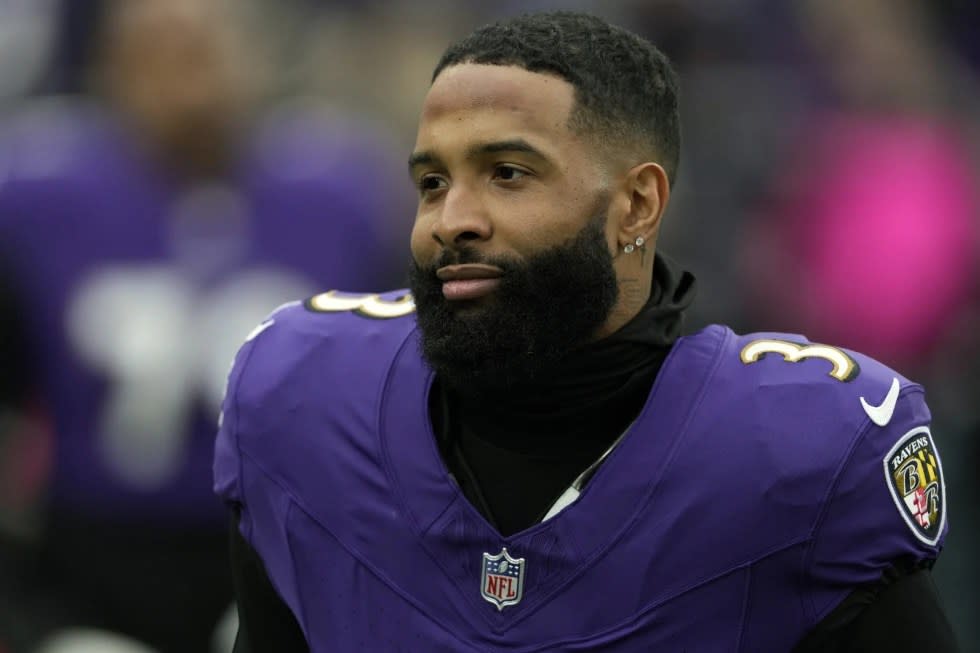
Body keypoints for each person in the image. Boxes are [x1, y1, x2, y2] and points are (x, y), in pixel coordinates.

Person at [214, 11, 958, 652]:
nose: (451, 220)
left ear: (636, 206)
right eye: (432, 182)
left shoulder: (798, 452)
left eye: (507, 172)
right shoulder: (304, 402)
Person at [0, 0, 406, 651]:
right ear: (108, 70)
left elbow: (398, 408)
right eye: (156, 53)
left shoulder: (341, 194)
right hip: (91, 554)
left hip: (284, 550)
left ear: (258, 56)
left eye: (204, 50)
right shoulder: (35, 195)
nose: (185, 83)